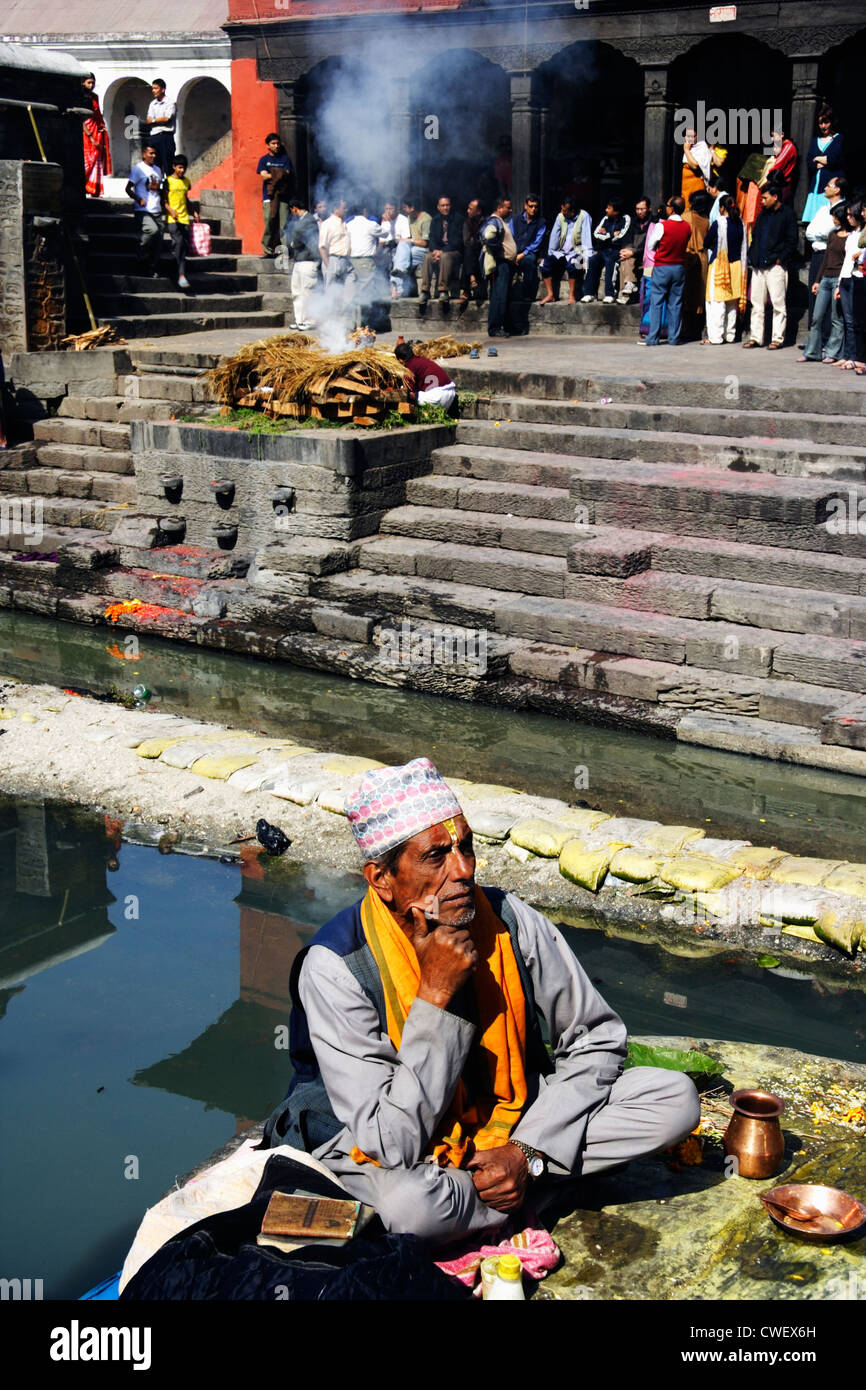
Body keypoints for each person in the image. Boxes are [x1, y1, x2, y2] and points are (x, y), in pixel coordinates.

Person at [262, 758, 700, 1246]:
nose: (464, 870)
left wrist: (526, 1151)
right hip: (388, 1146)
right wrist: (435, 997)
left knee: (672, 1099)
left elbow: (596, 1038)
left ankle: (512, 1184)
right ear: (381, 878)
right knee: (410, 1206)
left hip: (517, 1126)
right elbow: (392, 1142)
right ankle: (526, 1192)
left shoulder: (511, 920)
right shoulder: (336, 966)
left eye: (466, 848)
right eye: (436, 857)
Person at [743, 179, 798, 349]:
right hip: (759, 264)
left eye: (765, 197)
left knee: (778, 304)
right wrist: (752, 256)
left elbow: (792, 240)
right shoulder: (762, 215)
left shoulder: (787, 214)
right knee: (757, 304)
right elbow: (756, 239)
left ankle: (777, 338)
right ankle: (756, 337)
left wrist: (781, 258)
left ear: (775, 197)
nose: (762, 200)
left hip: (775, 265)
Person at [799, 202, 848, 363]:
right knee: (816, 316)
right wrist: (817, 280)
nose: (833, 219)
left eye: (835, 216)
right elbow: (826, 258)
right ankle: (812, 351)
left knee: (836, 318)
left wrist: (841, 283)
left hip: (838, 279)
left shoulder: (850, 237)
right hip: (826, 277)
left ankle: (833, 352)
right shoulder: (832, 235)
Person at [644, 195, 691, 346]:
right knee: (675, 303)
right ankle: (674, 337)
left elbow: (651, 246)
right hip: (678, 267)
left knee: (656, 302)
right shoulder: (686, 227)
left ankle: (653, 337)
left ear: (671, 209)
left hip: (662, 267)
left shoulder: (662, 226)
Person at [703, 195, 748, 345]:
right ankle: (730, 334)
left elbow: (706, 242)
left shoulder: (719, 223)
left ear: (722, 208)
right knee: (731, 303)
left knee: (716, 301)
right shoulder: (741, 223)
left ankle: (716, 336)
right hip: (736, 266)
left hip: (720, 264)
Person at [804, 175, 848, 323]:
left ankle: (827, 338)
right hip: (817, 254)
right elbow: (809, 232)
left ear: (837, 189)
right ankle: (815, 336)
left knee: (829, 298)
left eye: (828, 185)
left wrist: (822, 234)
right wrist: (821, 234)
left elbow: (832, 230)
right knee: (814, 293)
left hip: (833, 255)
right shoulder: (823, 209)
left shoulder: (843, 208)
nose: (825, 188)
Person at [539, 198, 592, 304]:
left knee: (573, 265)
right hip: (561, 252)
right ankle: (550, 294)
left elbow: (587, 239)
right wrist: (551, 256)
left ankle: (572, 296)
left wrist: (586, 259)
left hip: (578, 252)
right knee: (543, 264)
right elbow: (554, 237)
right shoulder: (560, 216)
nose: (562, 212)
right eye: (562, 209)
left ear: (572, 211)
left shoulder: (584, 216)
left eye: (565, 211)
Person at [581, 198, 632, 304]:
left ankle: (610, 294)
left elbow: (622, 236)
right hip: (603, 249)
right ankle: (589, 293)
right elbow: (596, 234)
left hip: (617, 250)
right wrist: (612, 234)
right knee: (593, 260)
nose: (606, 210)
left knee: (610, 261)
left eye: (609, 208)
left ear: (616, 211)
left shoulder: (625, 218)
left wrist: (605, 234)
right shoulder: (605, 219)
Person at [125, 144, 164, 278]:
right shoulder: (138, 169)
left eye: (155, 154)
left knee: (159, 241)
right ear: (144, 154)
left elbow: (159, 187)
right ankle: (140, 249)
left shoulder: (158, 170)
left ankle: (151, 268)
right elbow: (128, 189)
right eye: (150, 153)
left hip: (157, 209)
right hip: (143, 209)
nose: (153, 156)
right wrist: (138, 198)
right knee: (152, 230)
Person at [802, 106, 845, 226]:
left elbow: (834, 159)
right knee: (813, 223)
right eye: (821, 123)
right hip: (816, 188)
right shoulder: (815, 140)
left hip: (830, 186)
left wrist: (817, 158)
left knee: (829, 223)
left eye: (826, 122)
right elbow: (809, 162)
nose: (823, 126)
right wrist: (817, 162)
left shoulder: (839, 139)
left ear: (832, 122)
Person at [481, 196, 517, 337]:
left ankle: (504, 326)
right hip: (499, 264)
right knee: (498, 296)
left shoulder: (501, 221)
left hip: (505, 263)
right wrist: (499, 253)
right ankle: (495, 327)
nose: (510, 210)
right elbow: (488, 237)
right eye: (507, 207)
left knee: (504, 295)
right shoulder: (494, 221)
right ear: (500, 208)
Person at [836, 199, 866, 372]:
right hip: (847, 276)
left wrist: (860, 253)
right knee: (848, 320)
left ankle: (855, 357)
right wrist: (840, 282)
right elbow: (846, 260)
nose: (849, 217)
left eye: (850, 214)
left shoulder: (862, 234)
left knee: (856, 321)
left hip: (858, 276)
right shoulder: (852, 234)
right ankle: (848, 355)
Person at [509, 194, 547, 330]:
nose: (533, 209)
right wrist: (514, 254)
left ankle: (528, 294)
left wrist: (522, 254)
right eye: (531, 206)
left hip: (529, 253)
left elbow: (537, 243)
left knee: (529, 262)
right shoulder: (515, 220)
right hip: (513, 251)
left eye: (536, 207)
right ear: (526, 206)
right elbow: (510, 236)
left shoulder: (541, 222)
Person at [346, 201, 386, 328]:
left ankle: (351, 325)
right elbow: (385, 233)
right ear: (365, 211)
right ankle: (362, 326)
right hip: (365, 262)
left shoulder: (348, 225)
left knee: (351, 294)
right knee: (365, 295)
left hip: (350, 261)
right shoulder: (370, 224)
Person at [285, 194, 321, 331]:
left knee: (308, 292)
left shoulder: (309, 220)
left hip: (309, 260)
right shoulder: (301, 220)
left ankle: (310, 320)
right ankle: (299, 320)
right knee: (297, 292)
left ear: (294, 208)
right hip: (299, 260)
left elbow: (298, 234)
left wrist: (293, 242)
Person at [163, 154, 199, 291]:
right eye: (179, 168)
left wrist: (193, 211)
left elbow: (186, 198)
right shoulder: (168, 181)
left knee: (183, 247)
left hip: (184, 219)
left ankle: (179, 272)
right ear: (173, 167)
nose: (182, 170)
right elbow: (164, 201)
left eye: (183, 168)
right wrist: (170, 210)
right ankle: (181, 275)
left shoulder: (186, 182)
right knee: (178, 243)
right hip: (173, 219)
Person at [257, 134, 294, 258]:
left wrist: (271, 173)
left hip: (283, 196)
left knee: (284, 224)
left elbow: (288, 173)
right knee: (269, 222)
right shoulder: (263, 160)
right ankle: (267, 249)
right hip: (269, 196)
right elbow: (263, 175)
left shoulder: (285, 159)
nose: (276, 146)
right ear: (267, 145)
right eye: (273, 143)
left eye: (277, 143)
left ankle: (284, 250)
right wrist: (279, 174)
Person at [420, 196, 462, 304]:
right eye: (443, 205)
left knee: (445, 256)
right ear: (438, 207)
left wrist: (442, 251)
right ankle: (425, 290)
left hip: (454, 251)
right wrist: (434, 251)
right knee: (427, 257)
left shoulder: (458, 219)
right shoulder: (435, 220)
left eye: (447, 205)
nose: (445, 208)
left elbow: (457, 241)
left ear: (450, 206)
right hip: (438, 251)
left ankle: (443, 290)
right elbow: (432, 238)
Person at [394, 342, 456, 411]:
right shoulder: (421, 359)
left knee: (411, 396)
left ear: (400, 360)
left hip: (438, 397)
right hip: (451, 394)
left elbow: (408, 392)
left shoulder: (410, 367)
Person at [683, 190, 711, 339]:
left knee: (687, 292)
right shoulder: (706, 220)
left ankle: (686, 329)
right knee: (699, 293)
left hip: (688, 256)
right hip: (702, 257)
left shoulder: (685, 217)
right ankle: (697, 328)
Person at [391, 196, 431, 298]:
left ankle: (397, 285)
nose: (403, 209)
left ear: (412, 208)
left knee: (403, 256)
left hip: (423, 250)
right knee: (401, 250)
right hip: (410, 247)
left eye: (405, 207)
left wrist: (410, 240)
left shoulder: (426, 219)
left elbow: (425, 243)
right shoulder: (409, 218)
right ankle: (401, 275)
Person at [614, 196, 649, 304]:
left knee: (627, 257)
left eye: (642, 209)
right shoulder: (633, 222)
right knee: (624, 256)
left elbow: (648, 245)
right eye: (637, 209)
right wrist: (627, 251)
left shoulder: (653, 222)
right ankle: (629, 285)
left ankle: (624, 293)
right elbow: (626, 239)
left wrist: (633, 252)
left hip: (645, 254)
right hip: (633, 254)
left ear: (649, 208)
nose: (639, 212)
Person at [81, 73, 111, 199]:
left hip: (96, 130)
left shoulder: (95, 97)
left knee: (96, 161)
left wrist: (101, 127)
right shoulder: (80, 97)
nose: (91, 85)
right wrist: (90, 137)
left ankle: (95, 190)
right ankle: (82, 187)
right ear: (83, 83)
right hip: (85, 132)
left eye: (93, 82)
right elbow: (81, 119)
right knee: (86, 161)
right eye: (89, 82)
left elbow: (97, 114)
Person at [318, 197, 352, 294]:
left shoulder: (345, 223)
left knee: (346, 293)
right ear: (336, 209)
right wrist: (329, 266)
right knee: (332, 294)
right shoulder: (327, 224)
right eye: (344, 208)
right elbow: (322, 247)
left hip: (346, 261)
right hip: (333, 260)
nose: (346, 210)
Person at [145, 79, 176, 176]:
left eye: (156, 88)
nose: (153, 91)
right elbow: (148, 120)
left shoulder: (170, 103)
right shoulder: (152, 104)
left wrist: (154, 121)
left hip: (166, 136)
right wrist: (157, 120)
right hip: (154, 137)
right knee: (155, 166)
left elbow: (167, 119)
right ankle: (156, 189)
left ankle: (169, 188)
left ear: (162, 90)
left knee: (168, 164)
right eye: (152, 88)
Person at [458, 198, 485, 307]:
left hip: (483, 252)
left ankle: (466, 290)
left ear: (478, 211)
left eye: (471, 209)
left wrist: (475, 241)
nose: (468, 211)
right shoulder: (467, 222)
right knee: (469, 250)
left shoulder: (486, 222)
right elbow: (466, 241)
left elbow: (484, 240)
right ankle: (472, 279)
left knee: (470, 251)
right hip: (471, 252)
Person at [764, 127, 798, 204]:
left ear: (782, 134)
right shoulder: (781, 146)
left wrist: (764, 179)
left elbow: (777, 166)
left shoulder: (788, 147)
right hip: (778, 185)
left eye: (774, 136)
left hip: (783, 187)